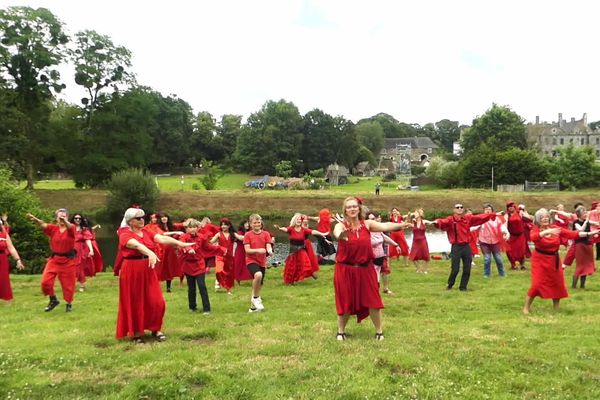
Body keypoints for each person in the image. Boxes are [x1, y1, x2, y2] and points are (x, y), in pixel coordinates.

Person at [332, 197, 410, 341]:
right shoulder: (341, 226)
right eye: (349, 207)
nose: (352, 209)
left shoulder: (367, 224)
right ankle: (341, 332)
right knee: (345, 300)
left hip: (365, 268)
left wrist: (401, 225)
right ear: (345, 210)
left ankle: (379, 331)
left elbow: (385, 226)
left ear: (359, 209)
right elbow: (337, 232)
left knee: (373, 299)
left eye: (355, 206)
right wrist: (341, 235)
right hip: (345, 269)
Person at [115, 207, 193, 342]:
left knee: (157, 301)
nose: (142, 220)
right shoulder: (125, 234)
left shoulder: (146, 231)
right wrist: (150, 252)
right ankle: (137, 333)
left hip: (148, 269)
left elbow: (161, 239)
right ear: (130, 221)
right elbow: (136, 245)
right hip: (132, 270)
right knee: (135, 301)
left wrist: (181, 243)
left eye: (143, 217)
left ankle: (155, 329)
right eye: (138, 218)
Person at [522, 208, 594, 315]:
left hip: (554, 260)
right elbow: (533, 237)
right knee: (537, 284)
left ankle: (556, 307)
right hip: (540, 261)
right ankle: (526, 308)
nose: (545, 219)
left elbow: (573, 234)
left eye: (547, 216)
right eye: (542, 217)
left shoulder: (555, 228)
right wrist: (547, 231)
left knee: (557, 283)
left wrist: (589, 233)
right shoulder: (535, 229)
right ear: (537, 220)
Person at [432, 203, 496, 291]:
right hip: (456, 247)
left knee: (467, 269)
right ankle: (450, 284)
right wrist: (436, 222)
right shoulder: (451, 219)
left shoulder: (467, 218)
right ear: (454, 210)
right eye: (457, 207)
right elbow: (443, 222)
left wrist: (492, 214)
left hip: (466, 246)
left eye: (461, 207)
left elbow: (479, 217)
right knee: (455, 269)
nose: (459, 209)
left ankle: (463, 287)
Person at [27, 209, 78, 312]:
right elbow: (43, 225)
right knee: (45, 282)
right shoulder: (53, 229)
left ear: (67, 218)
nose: (62, 218)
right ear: (56, 218)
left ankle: (68, 304)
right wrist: (35, 219)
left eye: (64, 216)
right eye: (60, 217)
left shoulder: (71, 229)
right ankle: (53, 299)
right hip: (54, 260)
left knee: (68, 284)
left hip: (68, 260)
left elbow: (71, 227)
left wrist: (65, 221)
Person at [180, 218, 225, 313]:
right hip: (188, 265)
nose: (192, 229)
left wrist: (221, 249)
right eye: (190, 227)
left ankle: (207, 309)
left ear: (198, 228)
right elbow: (182, 245)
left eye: (194, 227)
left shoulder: (201, 237)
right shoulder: (183, 237)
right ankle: (192, 307)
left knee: (202, 286)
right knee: (191, 287)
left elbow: (208, 247)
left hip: (199, 265)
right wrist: (189, 249)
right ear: (187, 229)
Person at [274, 213, 328, 285]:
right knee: (292, 267)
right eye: (297, 219)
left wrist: (322, 234)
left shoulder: (304, 230)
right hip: (293, 251)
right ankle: (290, 281)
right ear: (294, 220)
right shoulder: (291, 229)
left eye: (300, 220)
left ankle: (310, 273)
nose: (299, 221)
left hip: (301, 249)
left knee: (306, 263)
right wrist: (279, 228)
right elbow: (285, 229)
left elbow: (313, 232)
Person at [367, 212, 402, 294]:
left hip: (380, 256)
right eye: (371, 219)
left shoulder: (377, 230)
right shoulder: (366, 231)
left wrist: (396, 245)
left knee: (381, 273)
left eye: (374, 219)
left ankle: (381, 290)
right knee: (372, 277)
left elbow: (384, 237)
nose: (373, 221)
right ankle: (372, 293)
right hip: (370, 258)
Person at [244, 214, 273, 312]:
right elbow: (247, 250)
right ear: (250, 224)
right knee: (258, 275)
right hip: (251, 260)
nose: (257, 224)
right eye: (254, 223)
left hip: (262, 262)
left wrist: (269, 251)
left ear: (261, 223)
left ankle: (253, 307)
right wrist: (258, 250)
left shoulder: (266, 234)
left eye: (258, 222)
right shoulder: (248, 235)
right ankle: (256, 298)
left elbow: (268, 245)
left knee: (259, 284)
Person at [209, 218, 242, 294]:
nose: (223, 226)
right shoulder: (218, 234)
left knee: (229, 275)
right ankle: (218, 281)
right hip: (220, 256)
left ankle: (228, 289)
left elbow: (241, 238)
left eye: (225, 225)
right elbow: (210, 242)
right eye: (222, 225)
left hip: (229, 257)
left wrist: (252, 234)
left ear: (229, 226)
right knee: (218, 271)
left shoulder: (233, 234)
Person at [477, 204, 508, 278]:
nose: (487, 211)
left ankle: (502, 274)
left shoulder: (497, 219)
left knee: (498, 258)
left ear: (492, 210)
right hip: (484, 242)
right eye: (486, 209)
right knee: (487, 258)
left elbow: (502, 227)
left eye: (489, 209)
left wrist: (505, 233)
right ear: (483, 211)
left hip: (495, 242)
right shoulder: (480, 219)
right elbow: (474, 226)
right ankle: (486, 274)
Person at [569, 206, 597, 289]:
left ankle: (582, 286)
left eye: (586, 212)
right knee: (580, 266)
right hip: (580, 246)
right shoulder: (576, 223)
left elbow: (596, 223)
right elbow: (581, 230)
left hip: (588, 245)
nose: (586, 214)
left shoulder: (587, 221)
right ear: (579, 214)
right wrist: (587, 221)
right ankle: (574, 286)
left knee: (586, 266)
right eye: (584, 213)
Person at [156, 213, 184, 293]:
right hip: (162, 249)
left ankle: (168, 288)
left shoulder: (171, 226)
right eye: (162, 217)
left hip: (170, 250)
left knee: (169, 268)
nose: (164, 218)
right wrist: (175, 232)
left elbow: (182, 224)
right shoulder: (157, 227)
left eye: (165, 217)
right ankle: (156, 285)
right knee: (160, 268)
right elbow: (162, 234)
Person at [0, 218, 25, 303]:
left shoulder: (4, 235)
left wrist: (18, 260)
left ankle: (7, 300)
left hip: (2, 259)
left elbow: (11, 248)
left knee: (3, 280)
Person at [71, 213, 95, 292]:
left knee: (80, 268)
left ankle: (82, 285)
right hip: (71, 250)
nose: (77, 220)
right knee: (71, 267)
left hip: (81, 250)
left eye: (79, 218)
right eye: (76, 218)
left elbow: (88, 239)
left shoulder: (84, 229)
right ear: (73, 219)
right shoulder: (70, 228)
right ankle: (70, 284)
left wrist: (91, 249)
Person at [505, 201, 532, 270]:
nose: (510, 208)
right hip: (511, 236)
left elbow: (530, 219)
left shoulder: (520, 213)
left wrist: (525, 213)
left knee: (521, 251)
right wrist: (505, 234)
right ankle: (513, 265)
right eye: (509, 207)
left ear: (514, 207)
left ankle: (522, 265)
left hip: (520, 236)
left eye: (512, 206)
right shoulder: (506, 215)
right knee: (509, 251)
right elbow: (504, 225)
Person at [408, 208, 433, 274]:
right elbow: (407, 224)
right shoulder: (413, 222)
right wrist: (409, 216)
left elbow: (431, 222)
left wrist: (434, 222)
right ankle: (418, 268)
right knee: (413, 256)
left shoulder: (424, 221)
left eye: (416, 213)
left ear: (419, 214)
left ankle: (424, 269)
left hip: (423, 240)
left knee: (425, 256)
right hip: (415, 241)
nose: (415, 214)